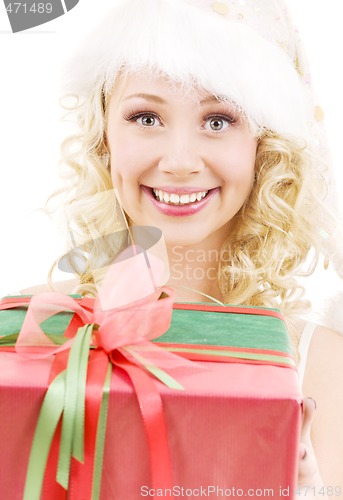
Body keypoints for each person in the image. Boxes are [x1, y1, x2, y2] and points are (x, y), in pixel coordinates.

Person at [25, 0, 343, 493]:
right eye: (146, 116)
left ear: (267, 146)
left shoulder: (322, 365)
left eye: (218, 120)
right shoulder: (34, 327)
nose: (178, 161)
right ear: (104, 134)